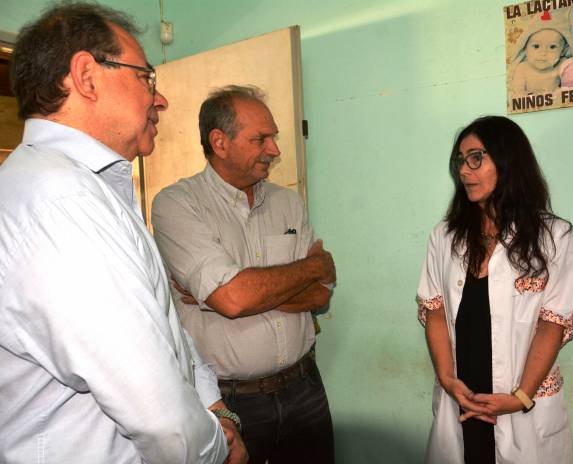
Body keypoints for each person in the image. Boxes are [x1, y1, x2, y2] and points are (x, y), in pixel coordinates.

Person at [0, 4, 246, 463]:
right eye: (145, 77)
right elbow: (159, 415)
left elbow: (163, 329)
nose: (160, 99)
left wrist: (213, 408)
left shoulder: (85, 188)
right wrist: (217, 450)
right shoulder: (62, 201)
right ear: (87, 77)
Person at [151, 85, 336, 464]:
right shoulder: (176, 204)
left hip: (304, 387)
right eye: (260, 139)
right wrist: (310, 267)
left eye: (274, 138)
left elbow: (320, 293)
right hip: (230, 402)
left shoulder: (288, 202)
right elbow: (234, 300)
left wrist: (226, 295)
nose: (275, 150)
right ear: (220, 142)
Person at [416, 116, 573, 463]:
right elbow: (434, 310)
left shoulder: (553, 238)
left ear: (507, 162)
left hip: (520, 403)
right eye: (460, 160)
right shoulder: (444, 236)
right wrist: (447, 379)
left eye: (476, 158)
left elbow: (552, 324)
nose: (464, 170)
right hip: (461, 399)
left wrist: (520, 397)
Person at [511, 27, 571, 95]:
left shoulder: (562, 64)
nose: (543, 53)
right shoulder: (522, 68)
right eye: (536, 46)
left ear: (564, 50)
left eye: (552, 47)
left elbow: (571, 85)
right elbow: (518, 92)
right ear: (525, 48)